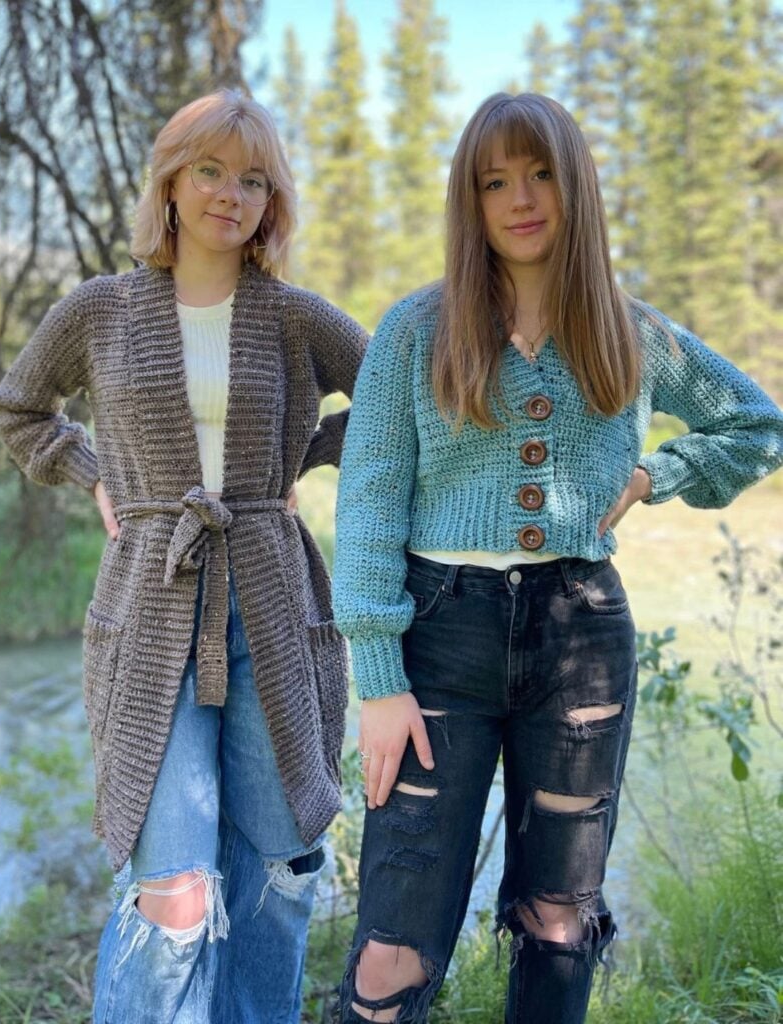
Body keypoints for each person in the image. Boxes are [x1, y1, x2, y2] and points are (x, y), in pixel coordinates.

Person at [331, 92, 783, 1024]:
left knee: (558, 917)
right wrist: (377, 679)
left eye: (540, 173)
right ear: (471, 199)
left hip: (582, 635)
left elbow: (757, 422)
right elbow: (369, 503)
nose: (520, 198)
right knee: (394, 942)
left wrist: (662, 471)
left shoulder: (629, 328)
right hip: (438, 637)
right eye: (495, 180)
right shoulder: (416, 331)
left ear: (575, 184)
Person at [0, 89, 367, 1024]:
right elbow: (20, 408)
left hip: (273, 607)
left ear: (270, 202)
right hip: (153, 607)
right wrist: (93, 471)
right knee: (176, 896)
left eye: (251, 180)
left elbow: (400, 405)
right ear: (170, 179)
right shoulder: (102, 310)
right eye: (209, 170)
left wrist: (306, 458)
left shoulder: (295, 317)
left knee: (276, 865)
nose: (228, 195)